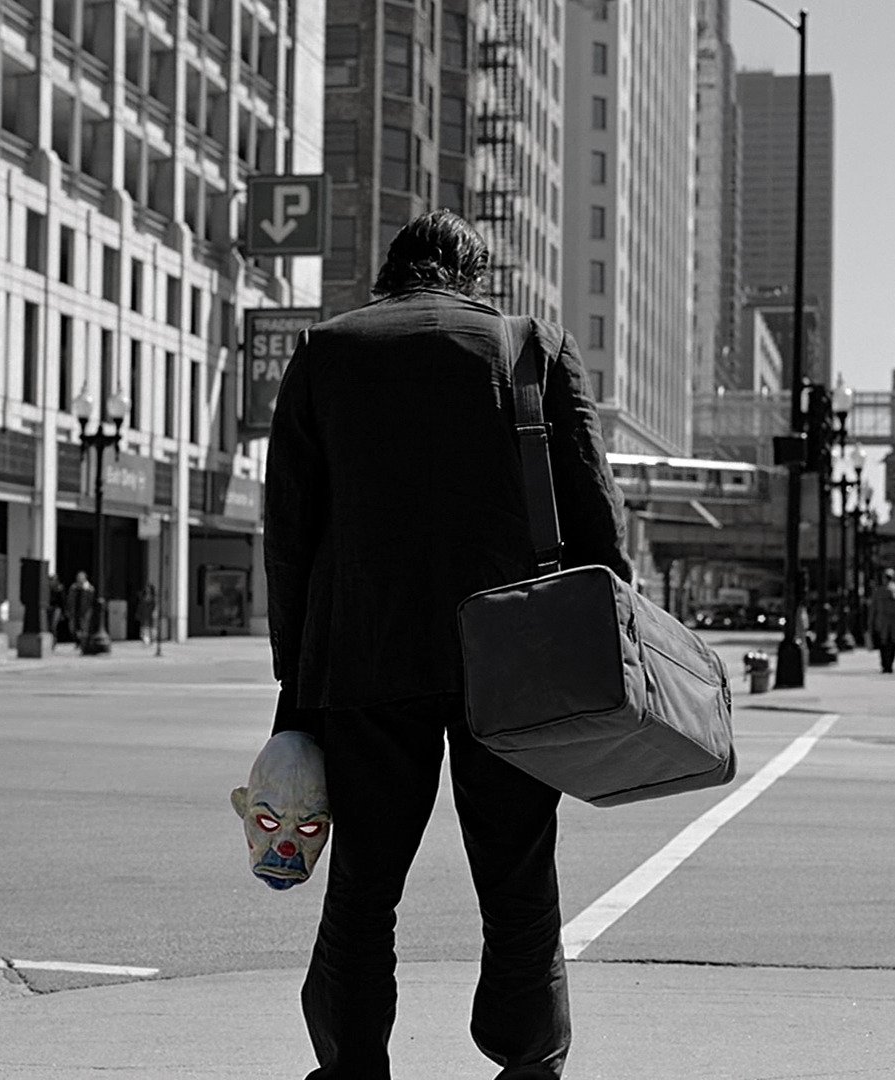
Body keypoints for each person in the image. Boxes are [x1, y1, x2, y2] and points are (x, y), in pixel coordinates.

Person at [265, 209, 631, 1080]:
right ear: (475, 278)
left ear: (391, 274)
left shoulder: (325, 352)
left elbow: (291, 533)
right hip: (513, 658)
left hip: (364, 654)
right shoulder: (528, 347)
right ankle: (527, 1055)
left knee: (364, 883)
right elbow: (596, 519)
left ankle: (353, 1064)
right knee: (517, 877)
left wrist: (296, 686)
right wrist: (607, 651)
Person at [867, 568, 895, 674]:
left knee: (883, 643)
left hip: (882, 621)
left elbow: (873, 609)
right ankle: (889, 664)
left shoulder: (878, 591)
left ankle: (885, 665)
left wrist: (870, 623)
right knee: (892, 644)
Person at [67, 571, 97, 648]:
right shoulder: (73, 588)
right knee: (73, 628)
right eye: (78, 577)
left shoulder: (89, 589)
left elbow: (92, 601)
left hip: (85, 611)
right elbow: (69, 600)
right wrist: (68, 609)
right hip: (75, 610)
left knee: (84, 627)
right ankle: (78, 641)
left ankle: (82, 643)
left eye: (81, 578)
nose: (79, 579)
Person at [45, 572, 65, 652]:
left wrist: (63, 612)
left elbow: (62, 601)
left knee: (53, 626)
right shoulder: (46, 588)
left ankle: (53, 642)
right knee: (48, 626)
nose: (51, 581)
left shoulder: (59, 588)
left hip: (57, 608)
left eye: (53, 579)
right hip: (48, 608)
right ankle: (49, 642)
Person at [136, 582, 158, 646]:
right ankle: (145, 640)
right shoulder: (143, 596)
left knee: (151, 627)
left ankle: (151, 640)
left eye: (148, 588)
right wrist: (138, 613)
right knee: (144, 627)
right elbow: (140, 606)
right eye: (146, 588)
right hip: (144, 614)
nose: (147, 589)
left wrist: (155, 612)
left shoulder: (154, 597)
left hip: (150, 614)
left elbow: (155, 606)